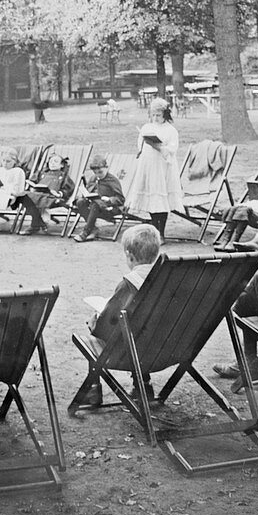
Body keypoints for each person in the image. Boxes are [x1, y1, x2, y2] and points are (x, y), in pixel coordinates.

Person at [71, 224, 163, 408]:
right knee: (143, 328)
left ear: (129, 255)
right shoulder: (165, 279)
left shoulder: (128, 284)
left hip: (131, 353)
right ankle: (143, 386)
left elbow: (106, 325)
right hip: (165, 347)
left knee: (97, 331)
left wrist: (95, 320)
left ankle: (93, 389)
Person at [123, 98, 182, 240]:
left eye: (158, 115)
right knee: (152, 201)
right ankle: (155, 231)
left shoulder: (170, 130)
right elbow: (140, 145)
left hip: (163, 168)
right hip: (149, 167)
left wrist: (160, 147)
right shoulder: (146, 127)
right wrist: (146, 143)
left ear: (165, 115)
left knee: (161, 201)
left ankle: (161, 233)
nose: (155, 118)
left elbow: (172, 149)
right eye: (153, 115)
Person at [72, 154, 126, 243]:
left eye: (100, 172)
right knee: (80, 202)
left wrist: (109, 199)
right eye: (95, 172)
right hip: (95, 206)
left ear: (106, 168)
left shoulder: (112, 180)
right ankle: (93, 229)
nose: (98, 174)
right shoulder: (94, 178)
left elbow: (121, 199)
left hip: (110, 208)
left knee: (96, 204)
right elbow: (88, 190)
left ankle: (86, 232)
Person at [18, 153, 75, 235]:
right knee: (23, 196)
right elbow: (32, 181)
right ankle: (39, 222)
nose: (52, 163)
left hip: (52, 198)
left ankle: (35, 224)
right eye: (50, 162)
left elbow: (68, 188)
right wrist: (31, 184)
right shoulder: (42, 173)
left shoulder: (63, 176)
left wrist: (59, 193)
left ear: (62, 165)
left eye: (55, 161)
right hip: (38, 195)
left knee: (29, 199)